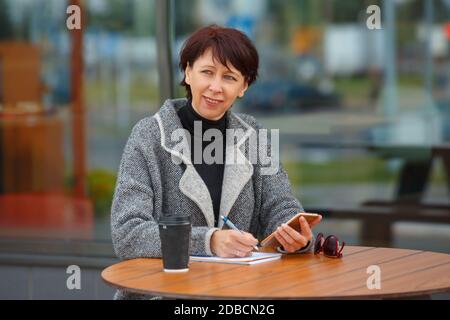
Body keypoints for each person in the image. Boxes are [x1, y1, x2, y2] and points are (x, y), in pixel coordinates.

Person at [111, 25, 322, 299]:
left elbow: (280, 204)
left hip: (238, 297)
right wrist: (209, 241)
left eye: (229, 77)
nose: (215, 87)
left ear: (243, 86)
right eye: (207, 72)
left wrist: (294, 235)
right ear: (188, 73)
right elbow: (128, 233)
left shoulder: (254, 134)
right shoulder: (149, 135)